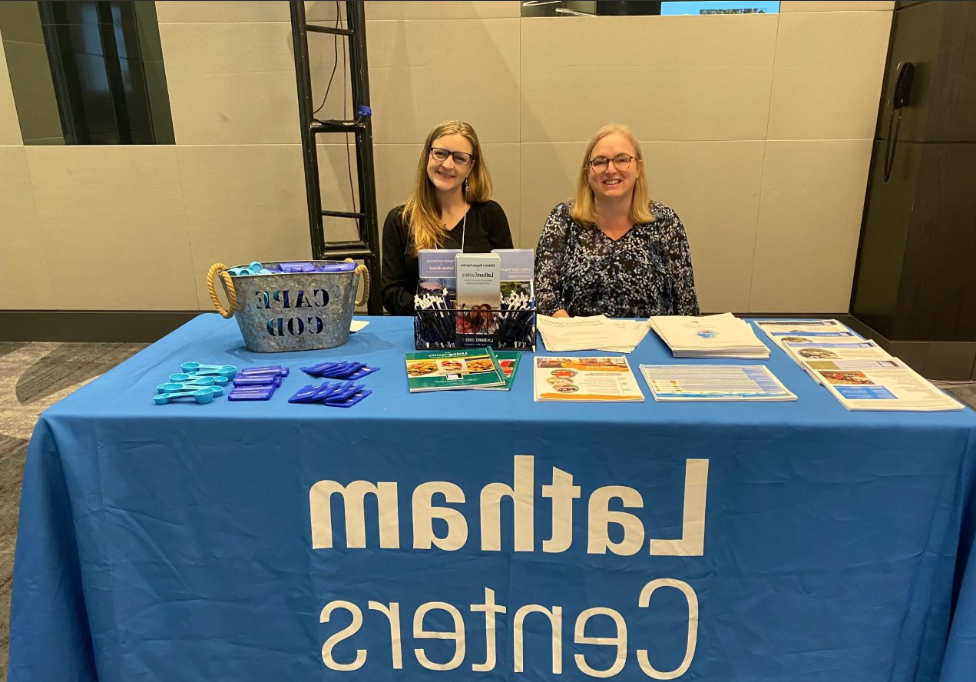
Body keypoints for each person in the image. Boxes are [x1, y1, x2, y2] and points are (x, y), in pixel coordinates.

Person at [534, 123, 700, 318]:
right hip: (580, 344)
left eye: (622, 159)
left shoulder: (666, 222)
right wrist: (573, 334)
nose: (611, 169)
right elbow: (544, 294)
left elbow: (686, 303)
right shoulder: (563, 219)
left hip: (650, 346)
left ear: (638, 167)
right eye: (600, 162)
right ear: (587, 172)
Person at [381, 120, 513, 315]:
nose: (448, 164)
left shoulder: (491, 215)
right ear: (427, 156)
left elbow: (507, 285)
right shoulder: (400, 219)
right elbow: (390, 293)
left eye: (460, 158)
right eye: (440, 153)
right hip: (418, 334)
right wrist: (441, 310)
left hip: (479, 331)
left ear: (470, 167)